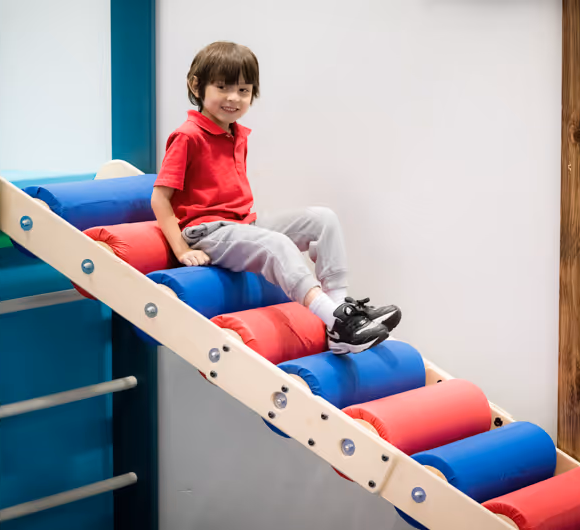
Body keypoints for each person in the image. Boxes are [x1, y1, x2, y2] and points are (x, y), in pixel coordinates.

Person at [151, 41, 401, 354]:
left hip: (244, 223)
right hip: (208, 232)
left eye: (243, 90)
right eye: (222, 87)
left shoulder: (235, 133)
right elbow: (160, 198)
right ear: (196, 85)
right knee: (278, 245)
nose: (233, 98)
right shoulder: (188, 136)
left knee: (323, 219)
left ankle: (340, 317)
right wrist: (181, 249)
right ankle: (335, 320)